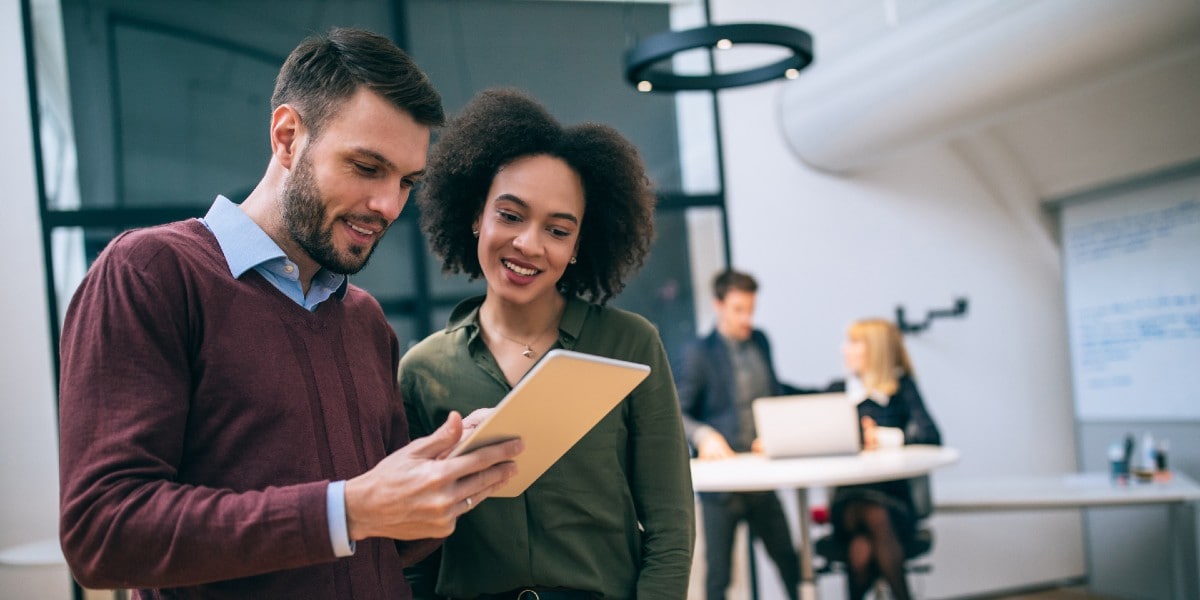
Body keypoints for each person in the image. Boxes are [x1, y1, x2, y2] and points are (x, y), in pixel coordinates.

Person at [56, 28, 523, 599]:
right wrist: (346, 510)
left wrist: (446, 479)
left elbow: (380, 538)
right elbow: (102, 534)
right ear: (286, 137)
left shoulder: (365, 321)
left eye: (406, 182)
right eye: (366, 167)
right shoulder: (151, 273)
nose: (388, 206)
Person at [400, 87, 695, 599]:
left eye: (558, 230)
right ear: (476, 215)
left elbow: (671, 530)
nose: (529, 245)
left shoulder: (629, 345)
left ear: (579, 245)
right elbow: (415, 554)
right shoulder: (424, 371)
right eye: (510, 215)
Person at [676, 269, 802, 600]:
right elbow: (677, 410)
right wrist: (704, 435)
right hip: (723, 485)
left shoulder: (761, 341)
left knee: (789, 561)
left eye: (751, 309)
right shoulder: (698, 353)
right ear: (718, 305)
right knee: (719, 577)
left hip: (761, 478)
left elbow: (775, 391)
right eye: (738, 309)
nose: (747, 318)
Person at [826, 318, 942, 600]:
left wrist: (885, 438)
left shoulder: (901, 390)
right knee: (870, 515)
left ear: (874, 350)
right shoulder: (838, 390)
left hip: (894, 502)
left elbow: (931, 434)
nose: (845, 349)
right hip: (849, 504)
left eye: (854, 343)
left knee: (863, 549)